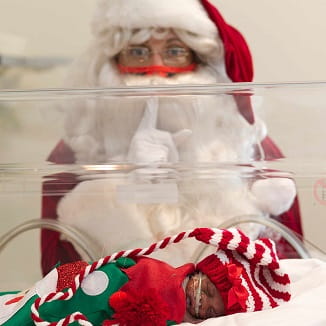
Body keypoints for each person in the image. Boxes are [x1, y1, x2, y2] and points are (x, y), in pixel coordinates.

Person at [41, 0, 302, 276]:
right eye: (137, 52)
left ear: (200, 60)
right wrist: (127, 184)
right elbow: (61, 279)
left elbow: (286, 270)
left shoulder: (253, 150)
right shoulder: (72, 153)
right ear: (113, 61)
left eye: (174, 51)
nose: (156, 70)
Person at [0, 228, 291, 325]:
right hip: (78, 283)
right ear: (203, 271)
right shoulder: (163, 279)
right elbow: (136, 277)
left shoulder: (178, 313)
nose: (201, 303)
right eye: (210, 293)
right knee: (29, 306)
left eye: (211, 310)